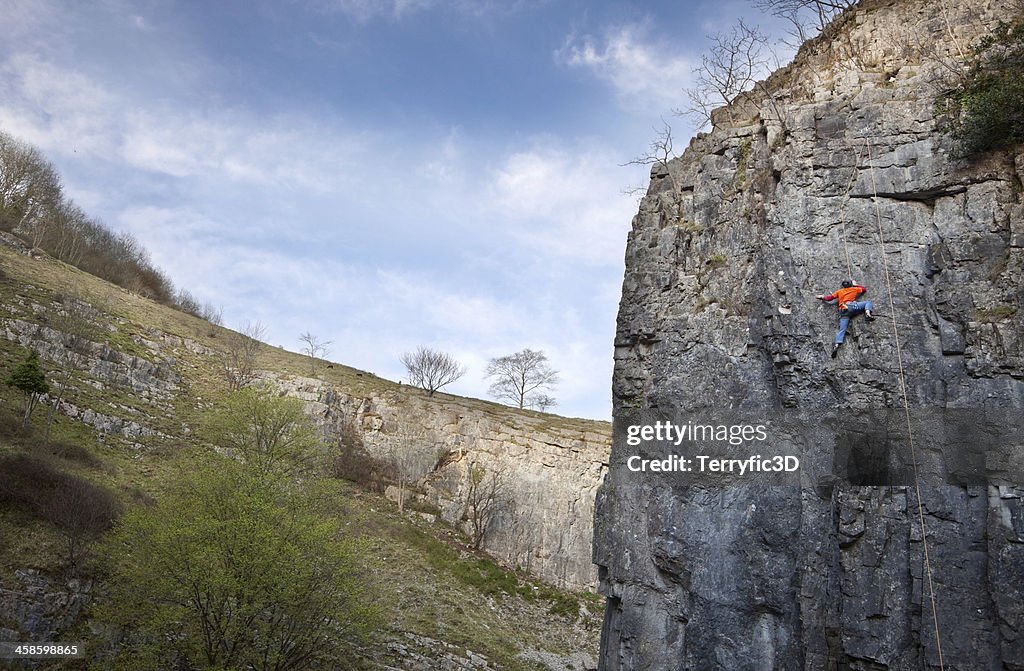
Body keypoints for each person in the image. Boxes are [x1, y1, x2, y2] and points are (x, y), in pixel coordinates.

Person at [818, 280, 875, 357]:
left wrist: (822, 297)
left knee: (842, 329)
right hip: (851, 306)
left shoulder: (839, 291)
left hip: (843, 310)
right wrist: (855, 285)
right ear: (851, 284)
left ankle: (837, 344)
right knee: (868, 302)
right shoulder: (854, 289)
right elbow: (864, 289)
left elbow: (830, 298)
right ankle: (867, 313)